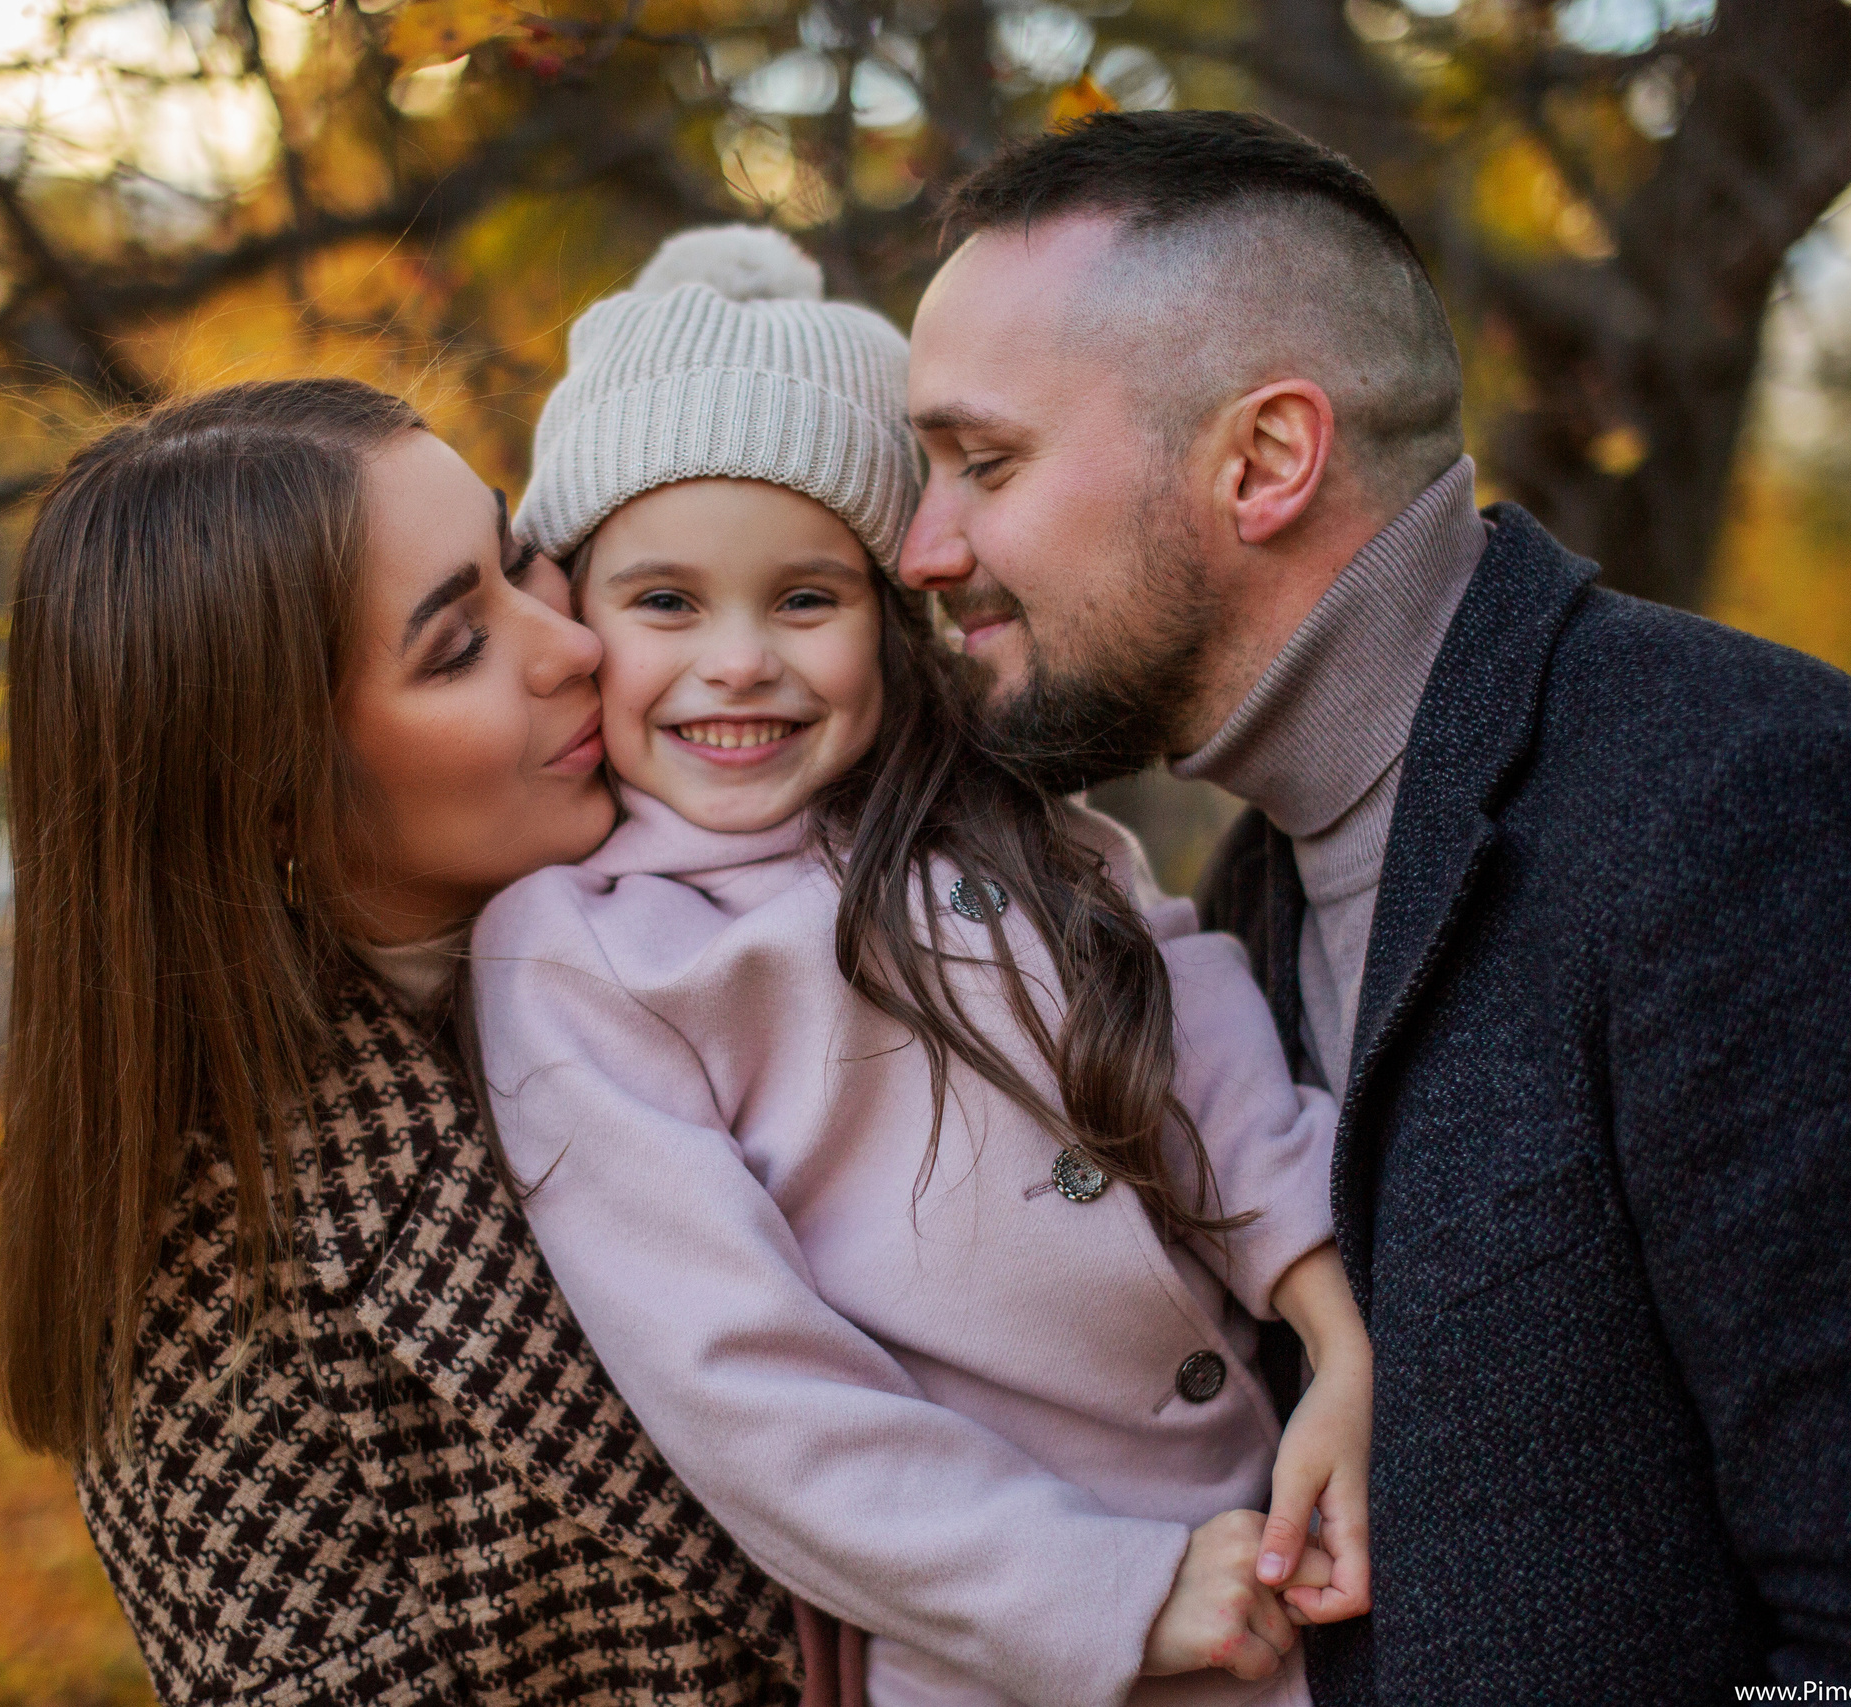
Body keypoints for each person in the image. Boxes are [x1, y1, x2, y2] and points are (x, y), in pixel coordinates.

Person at [897, 109, 1851, 1700]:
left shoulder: (1756, 809)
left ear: (1267, 460)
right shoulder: (1258, 892)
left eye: (984, 462)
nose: (922, 546)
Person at [472, 226, 1374, 1707]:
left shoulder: (1021, 827)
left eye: (807, 600)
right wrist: (1107, 1591)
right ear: (577, 617)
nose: (742, 660)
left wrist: (1337, 1324)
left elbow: (1203, 1053)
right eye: (668, 603)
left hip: (1274, 1536)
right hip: (1009, 1646)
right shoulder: (585, 952)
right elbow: (745, 1385)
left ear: (891, 624)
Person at [0, 379, 812, 1703]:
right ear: (273, 797)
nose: (572, 645)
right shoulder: (218, 1329)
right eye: (457, 646)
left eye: (520, 555)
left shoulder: (784, 815)